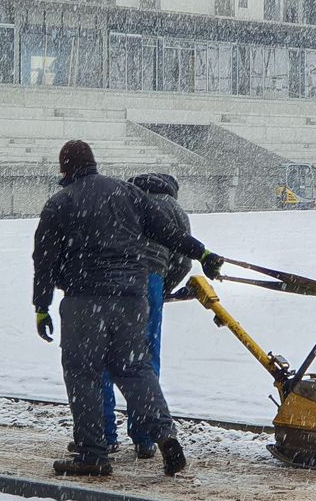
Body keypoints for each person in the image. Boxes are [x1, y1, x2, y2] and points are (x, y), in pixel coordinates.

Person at [33, 141, 224, 476]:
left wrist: (41, 306)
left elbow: (44, 260)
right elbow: (167, 232)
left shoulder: (60, 203)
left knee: (84, 374)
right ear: (93, 162)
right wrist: (203, 253)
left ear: (65, 167)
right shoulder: (127, 193)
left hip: (84, 300)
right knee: (136, 370)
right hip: (132, 298)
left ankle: (93, 453)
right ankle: (164, 435)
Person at [96, 173, 190, 459]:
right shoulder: (175, 209)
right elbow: (183, 259)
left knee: (103, 355)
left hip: (115, 278)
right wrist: (163, 285)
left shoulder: (122, 200)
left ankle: (103, 435)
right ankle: (146, 438)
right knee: (145, 360)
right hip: (151, 280)